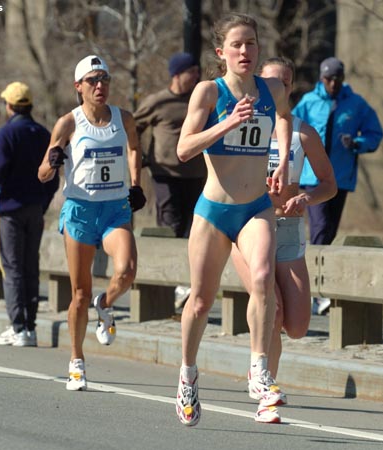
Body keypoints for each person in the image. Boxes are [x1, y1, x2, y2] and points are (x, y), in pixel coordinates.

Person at [174, 13, 293, 426]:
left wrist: (281, 163)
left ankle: (259, 371)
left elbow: (283, 117)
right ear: (221, 51)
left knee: (262, 278)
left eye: (252, 44)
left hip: (256, 207)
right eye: (238, 45)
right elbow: (184, 149)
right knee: (201, 301)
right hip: (213, 211)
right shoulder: (209, 92)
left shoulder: (273, 87)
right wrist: (227, 122)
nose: (246, 52)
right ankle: (188, 374)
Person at [38, 55, 145, 391]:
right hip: (81, 209)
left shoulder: (123, 118)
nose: (100, 86)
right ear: (79, 87)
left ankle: (107, 303)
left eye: (105, 80)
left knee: (126, 271)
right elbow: (42, 174)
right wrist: (53, 163)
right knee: (80, 293)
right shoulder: (68, 123)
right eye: (93, 81)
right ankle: (76, 361)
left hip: (114, 209)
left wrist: (136, 184)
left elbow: (134, 149)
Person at [230, 57, 336, 385]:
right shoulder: (242, 126)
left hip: (288, 230)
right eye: (273, 82)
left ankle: (261, 372)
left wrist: (306, 197)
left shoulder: (304, 133)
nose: (280, 88)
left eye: (286, 83)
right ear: (259, 85)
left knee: (298, 326)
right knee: (271, 311)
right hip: (249, 226)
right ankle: (264, 381)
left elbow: (329, 185)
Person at [292, 56, 383, 316]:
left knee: (330, 231)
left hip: (340, 178)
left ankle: (321, 288)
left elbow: (375, 133)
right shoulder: (309, 102)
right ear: (321, 79)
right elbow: (289, 131)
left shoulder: (356, 104)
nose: (332, 83)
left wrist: (357, 142)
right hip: (312, 179)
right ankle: (314, 292)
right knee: (319, 229)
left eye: (337, 79)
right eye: (328, 78)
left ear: (342, 79)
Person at [0, 82, 59, 348]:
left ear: (9, 106)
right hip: (35, 209)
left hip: (9, 210)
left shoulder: (7, 133)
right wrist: (43, 202)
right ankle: (30, 326)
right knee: (30, 267)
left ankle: (17, 327)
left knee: (12, 267)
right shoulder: (43, 133)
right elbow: (52, 176)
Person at [134, 52, 206, 239]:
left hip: (196, 172)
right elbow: (132, 126)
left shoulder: (201, 100)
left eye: (198, 71)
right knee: (169, 224)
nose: (197, 76)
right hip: (165, 173)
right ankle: (164, 266)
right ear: (177, 74)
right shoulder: (158, 102)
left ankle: (188, 267)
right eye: (192, 71)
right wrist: (137, 152)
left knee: (193, 226)